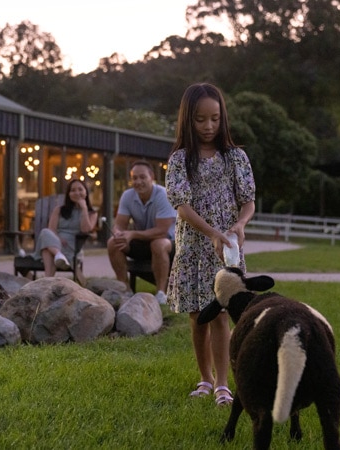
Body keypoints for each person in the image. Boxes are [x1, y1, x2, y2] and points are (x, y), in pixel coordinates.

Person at [165, 83, 256, 405]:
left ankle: (221, 383)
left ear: (222, 118)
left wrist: (238, 225)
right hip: (193, 247)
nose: (208, 126)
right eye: (200, 119)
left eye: (215, 119)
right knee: (198, 316)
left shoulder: (236, 158)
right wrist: (212, 232)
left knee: (221, 315)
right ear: (188, 119)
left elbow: (247, 201)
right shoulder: (179, 160)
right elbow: (182, 206)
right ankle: (204, 379)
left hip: (225, 249)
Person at [107, 160, 176, 304]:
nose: (138, 181)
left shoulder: (164, 195)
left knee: (158, 244)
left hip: (169, 242)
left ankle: (161, 293)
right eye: (134, 178)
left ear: (152, 177)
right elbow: (119, 224)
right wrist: (118, 233)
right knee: (113, 243)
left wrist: (132, 234)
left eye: (142, 177)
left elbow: (162, 231)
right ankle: (125, 290)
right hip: (144, 241)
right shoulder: (128, 195)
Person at [33, 179, 98, 278]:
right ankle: (58, 255)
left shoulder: (92, 213)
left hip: (73, 248)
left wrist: (84, 208)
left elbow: (85, 230)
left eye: (80, 189)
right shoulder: (59, 210)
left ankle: (47, 280)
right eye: (73, 190)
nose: (77, 192)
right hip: (57, 242)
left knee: (47, 249)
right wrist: (58, 239)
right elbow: (51, 230)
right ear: (68, 194)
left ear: (86, 192)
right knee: (45, 232)